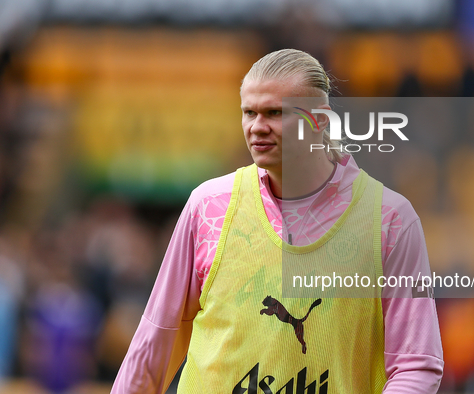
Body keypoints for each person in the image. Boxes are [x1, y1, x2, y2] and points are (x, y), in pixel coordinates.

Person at [111, 49, 444, 393]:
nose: (257, 127)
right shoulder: (208, 206)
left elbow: (416, 365)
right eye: (249, 112)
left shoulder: (389, 220)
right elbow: (155, 342)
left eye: (274, 113)